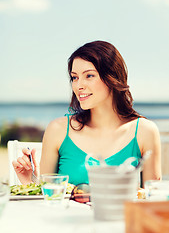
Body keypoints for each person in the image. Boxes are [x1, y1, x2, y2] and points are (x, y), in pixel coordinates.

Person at [12, 40, 161, 187]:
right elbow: (49, 198)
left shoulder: (145, 131)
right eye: (75, 77)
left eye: (89, 76)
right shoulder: (57, 130)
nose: (79, 85)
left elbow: (153, 202)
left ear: (113, 77)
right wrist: (29, 182)